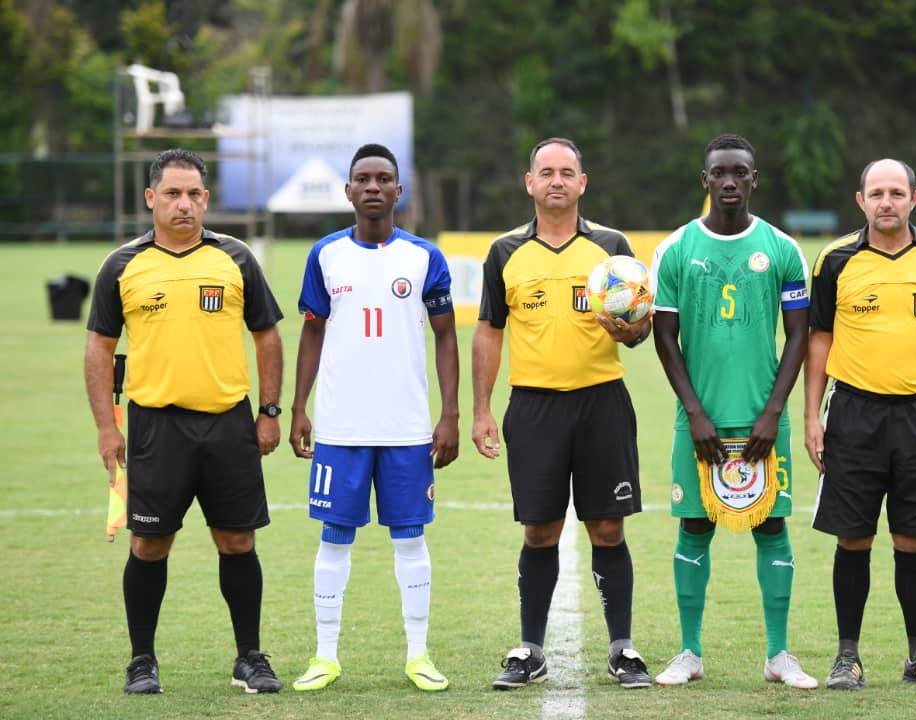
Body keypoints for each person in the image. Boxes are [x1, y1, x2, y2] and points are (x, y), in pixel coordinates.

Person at [84, 148, 285, 695]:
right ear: (151, 198)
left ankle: (249, 657)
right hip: (156, 427)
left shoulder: (236, 258)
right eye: (172, 193)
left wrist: (269, 412)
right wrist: (107, 426)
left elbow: (267, 335)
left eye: (194, 194)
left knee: (237, 542)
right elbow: (100, 347)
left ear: (206, 199)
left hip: (229, 424)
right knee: (149, 546)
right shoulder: (123, 265)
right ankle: (142, 660)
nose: (184, 204)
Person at [472, 137, 653, 690]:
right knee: (540, 530)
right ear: (529, 183)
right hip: (534, 407)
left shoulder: (611, 246)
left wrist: (632, 330)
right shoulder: (505, 252)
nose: (556, 180)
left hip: (602, 402)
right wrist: (480, 409)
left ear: (582, 182)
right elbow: (488, 331)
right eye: (545, 172)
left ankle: (622, 648)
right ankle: (530, 649)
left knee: (607, 527)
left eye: (566, 172)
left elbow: (642, 326)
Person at [289, 143, 459, 693]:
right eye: (362, 178)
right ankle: (324, 656)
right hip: (340, 428)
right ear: (348, 190)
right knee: (334, 538)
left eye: (383, 178)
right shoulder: (325, 255)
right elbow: (311, 331)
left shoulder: (424, 257)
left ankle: (418, 654)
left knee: (410, 539)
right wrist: (298, 407)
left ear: (397, 190)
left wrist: (449, 413)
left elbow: (447, 335)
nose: (373, 187)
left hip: (407, 429)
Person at [650, 133, 818, 690]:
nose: (728, 181)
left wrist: (773, 412)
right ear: (705, 181)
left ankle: (779, 654)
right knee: (693, 528)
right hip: (698, 420)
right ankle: (689, 652)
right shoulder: (676, 249)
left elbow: (798, 338)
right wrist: (695, 414)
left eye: (738, 173)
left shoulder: (783, 249)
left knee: (772, 528)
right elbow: (665, 338)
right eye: (718, 172)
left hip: (763, 418)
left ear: (753, 179)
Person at [804, 158, 916, 690]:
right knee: (853, 538)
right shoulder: (835, 261)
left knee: (914, 539)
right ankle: (847, 657)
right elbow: (819, 341)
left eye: (896, 192)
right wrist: (811, 415)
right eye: (876, 192)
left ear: (914, 199)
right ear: (860, 200)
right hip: (854, 414)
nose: (886, 201)